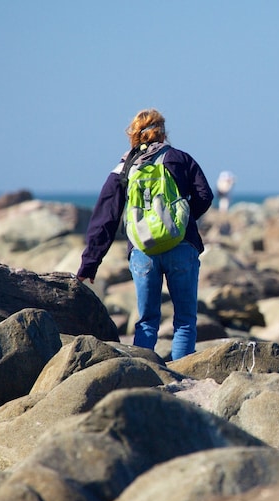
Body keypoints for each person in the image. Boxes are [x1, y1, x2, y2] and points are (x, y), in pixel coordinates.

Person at [77, 109, 214, 360]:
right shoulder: (180, 159)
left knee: (146, 321)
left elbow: (106, 217)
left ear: (134, 134)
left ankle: (143, 375)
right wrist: (181, 222)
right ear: (163, 132)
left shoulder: (124, 167)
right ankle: (183, 378)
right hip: (182, 247)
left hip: (143, 251)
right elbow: (205, 195)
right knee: (185, 320)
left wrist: (89, 263)